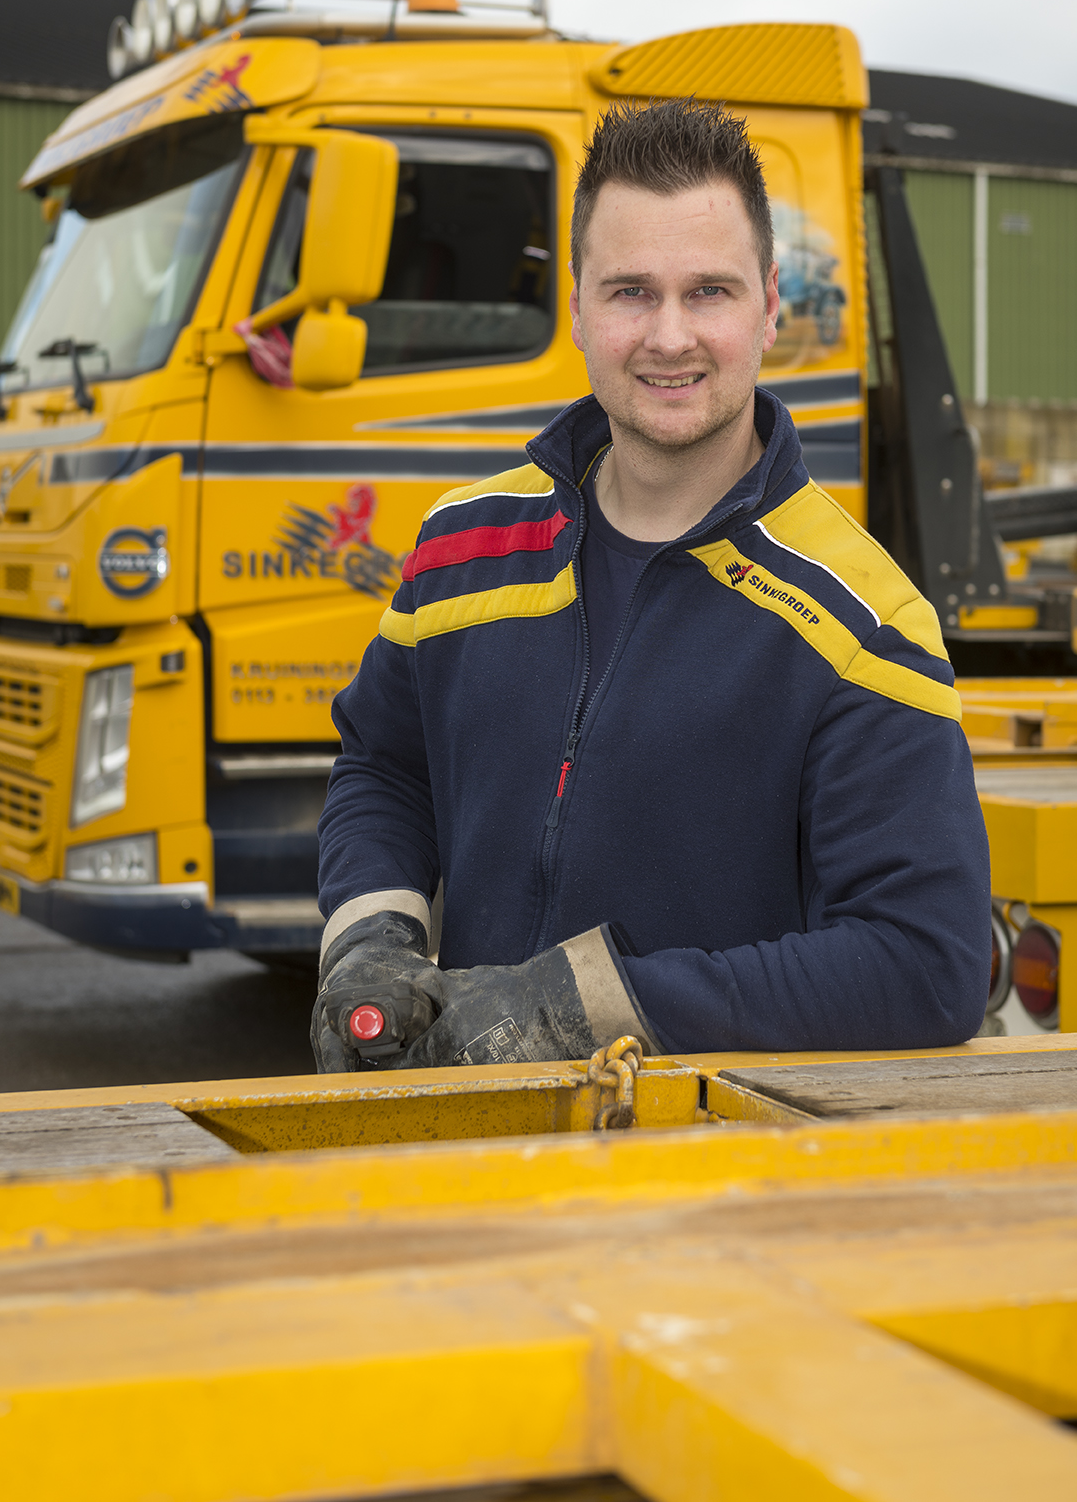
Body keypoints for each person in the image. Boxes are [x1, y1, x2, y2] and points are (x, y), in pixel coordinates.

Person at [311, 99, 991, 1072]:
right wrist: (370, 937)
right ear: (576, 307)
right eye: (630, 291)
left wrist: (584, 1007)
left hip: (702, 1155)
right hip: (464, 1141)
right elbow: (385, 766)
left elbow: (925, 964)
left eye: (708, 291)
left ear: (768, 304)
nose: (669, 337)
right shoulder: (460, 546)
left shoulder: (864, 623)